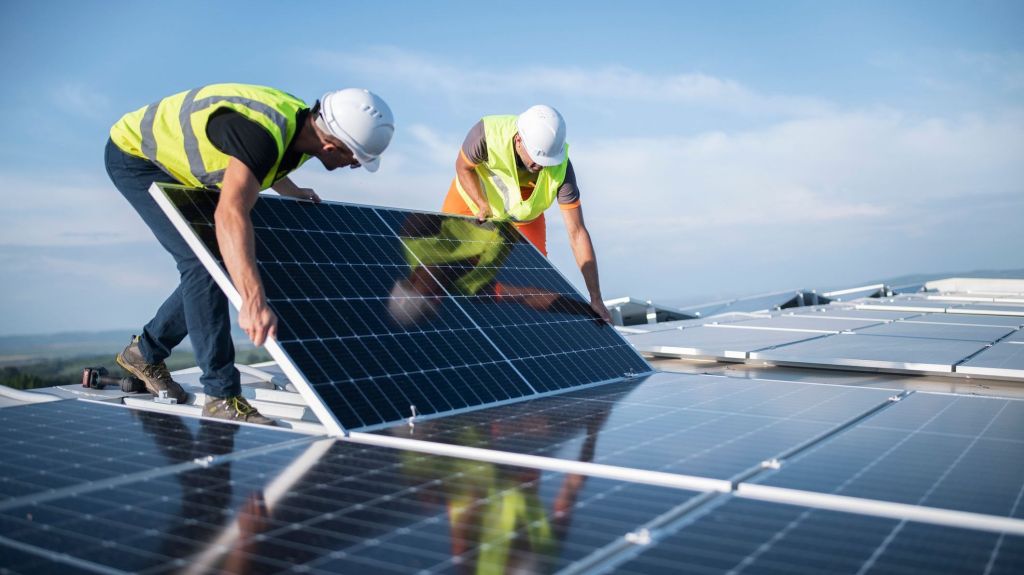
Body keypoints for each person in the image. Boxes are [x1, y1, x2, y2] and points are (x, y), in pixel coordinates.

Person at [106, 83, 394, 425]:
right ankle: (221, 395)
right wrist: (253, 302)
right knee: (204, 263)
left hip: (178, 166)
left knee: (226, 260)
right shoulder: (263, 133)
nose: (355, 166)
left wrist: (291, 190)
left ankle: (145, 353)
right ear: (332, 144)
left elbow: (263, 162)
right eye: (355, 158)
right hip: (138, 156)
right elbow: (230, 212)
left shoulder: (305, 127)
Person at [441, 105, 611, 322]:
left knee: (534, 280)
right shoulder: (486, 133)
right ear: (519, 140)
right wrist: (482, 205)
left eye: (546, 161)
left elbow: (577, 233)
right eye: (536, 158)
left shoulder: (562, 169)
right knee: (447, 268)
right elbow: (463, 167)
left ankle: (510, 330)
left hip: (524, 217)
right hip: (471, 204)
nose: (540, 166)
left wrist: (595, 297)